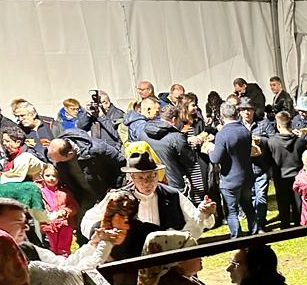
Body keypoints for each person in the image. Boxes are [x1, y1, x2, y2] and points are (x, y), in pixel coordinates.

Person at [81, 150, 216, 241]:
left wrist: (205, 213)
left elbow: (202, 221)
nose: (147, 182)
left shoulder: (173, 195)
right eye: (141, 178)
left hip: (170, 257)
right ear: (132, 178)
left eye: (152, 176)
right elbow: (88, 220)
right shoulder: (119, 198)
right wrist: (99, 232)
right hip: (134, 259)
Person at [208, 102, 256, 238]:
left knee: (232, 211)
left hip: (230, 179)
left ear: (222, 115)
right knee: (249, 207)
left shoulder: (222, 134)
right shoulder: (245, 131)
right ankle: (255, 233)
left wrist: (209, 150)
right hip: (246, 176)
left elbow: (216, 158)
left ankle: (237, 238)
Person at [265, 111, 306, 229]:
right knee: (298, 202)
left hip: (280, 176)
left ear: (277, 125)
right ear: (290, 124)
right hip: (297, 175)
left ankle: (285, 224)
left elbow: (268, 160)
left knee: (283, 202)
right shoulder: (300, 141)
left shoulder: (271, 142)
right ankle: (299, 223)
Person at [142, 104, 196, 193]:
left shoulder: (142, 134)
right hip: (174, 185)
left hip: (151, 183)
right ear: (174, 120)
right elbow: (190, 161)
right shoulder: (176, 137)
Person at [237, 98, 272, 231]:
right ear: (239, 111)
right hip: (245, 169)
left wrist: (261, 140)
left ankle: (261, 223)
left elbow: (273, 139)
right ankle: (254, 224)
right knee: (250, 198)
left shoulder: (263, 123)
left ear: (253, 110)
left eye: (249, 109)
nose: (247, 112)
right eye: (244, 109)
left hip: (261, 167)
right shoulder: (237, 126)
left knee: (261, 197)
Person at [36, 165, 78, 256]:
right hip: (48, 225)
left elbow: (74, 206)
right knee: (51, 250)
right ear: (42, 176)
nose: (51, 178)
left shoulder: (65, 192)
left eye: (54, 176)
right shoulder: (38, 191)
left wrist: (66, 211)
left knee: (64, 249)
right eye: (47, 176)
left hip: (65, 224)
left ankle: (64, 265)